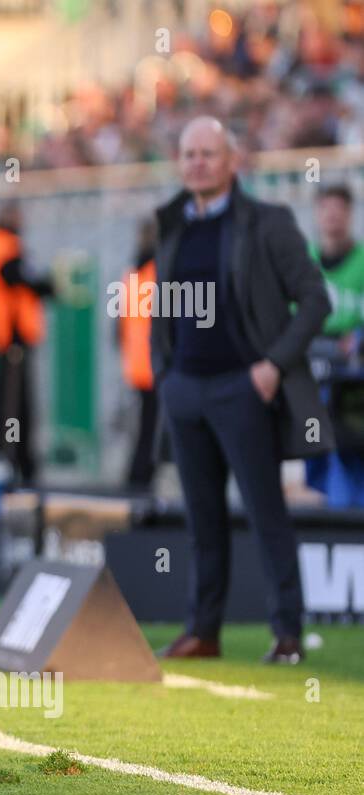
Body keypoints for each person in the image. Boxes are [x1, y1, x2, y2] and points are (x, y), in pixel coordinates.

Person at [151, 117, 335, 665]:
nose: (198, 163)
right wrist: (165, 376)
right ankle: (203, 632)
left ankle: (288, 635)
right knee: (202, 521)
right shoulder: (171, 225)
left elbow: (315, 299)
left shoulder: (268, 222)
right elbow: (164, 308)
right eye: (189, 154)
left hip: (244, 389)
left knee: (265, 513)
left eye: (208, 153)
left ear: (232, 160)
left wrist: (272, 365)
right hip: (185, 390)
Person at [0, 202, 52, 486]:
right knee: (13, 411)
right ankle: (11, 468)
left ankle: (5, 465)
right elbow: (26, 279)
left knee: (6, 411)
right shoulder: (4, 248)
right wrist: (48, 284)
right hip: (8, 343)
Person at [305, 184, 364, 507]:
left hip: (354, 379)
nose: (332, 216)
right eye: (326, 208)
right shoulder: (305, 262)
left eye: (339, 209)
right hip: (315, 373)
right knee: (320, 456)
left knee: (350, 452)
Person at [118, 219, 159, 491]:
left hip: (136, 362)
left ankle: (137, 476)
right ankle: (141, 477)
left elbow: (120, 324)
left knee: (145, 425)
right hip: (154, 363)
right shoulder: (158, 272)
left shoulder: (132, 273)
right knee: (152, 427)